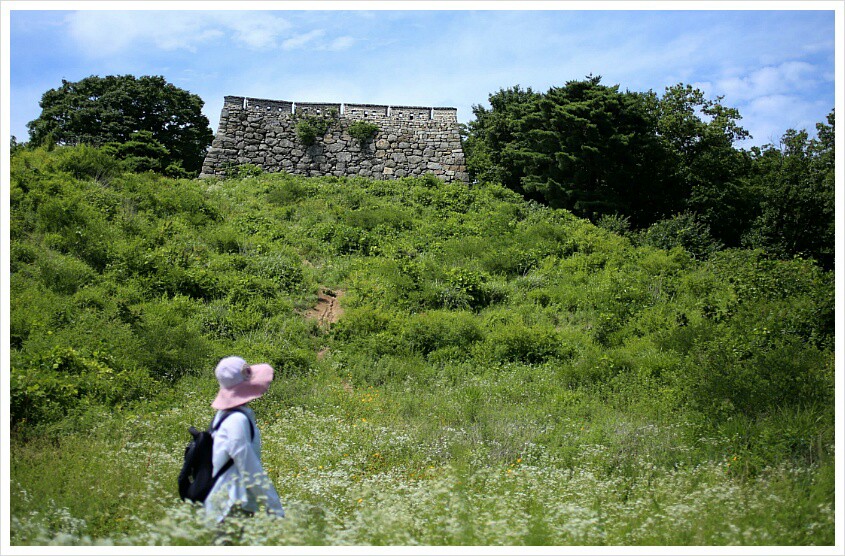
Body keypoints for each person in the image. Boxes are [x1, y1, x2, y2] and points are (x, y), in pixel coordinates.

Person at [204, 355, 285, 523]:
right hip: (231, 507)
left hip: (227, 505)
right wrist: (274, 506)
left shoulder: (223, 417)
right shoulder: (236, 421)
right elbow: (247, 464)